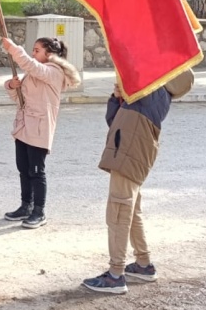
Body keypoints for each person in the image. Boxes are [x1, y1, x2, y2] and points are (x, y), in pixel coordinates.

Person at [82, 70, 194, 295]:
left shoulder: (154, 93)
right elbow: (115, 121)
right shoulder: (147, 95)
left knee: (118, 211)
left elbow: (137, 66)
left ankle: (115, 275)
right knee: (131, 211)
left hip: (129, 155)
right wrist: (116, 98)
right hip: (127, 153)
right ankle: (143, 264)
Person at [0, 36, 80, 229]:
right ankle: (25, 205)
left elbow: (32, 66)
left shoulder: (53, 72)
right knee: (23, 168)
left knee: (36, 171)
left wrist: (14, 49)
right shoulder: (35, 72)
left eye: (37, 50)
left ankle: (39, 211)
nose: (33, 54)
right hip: (24, 127)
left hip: (39, 129)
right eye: (33, 50)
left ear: (49, 54)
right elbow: (22, 99)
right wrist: (11, 86)